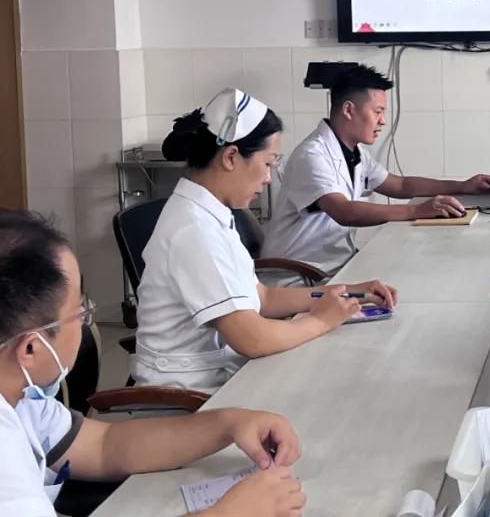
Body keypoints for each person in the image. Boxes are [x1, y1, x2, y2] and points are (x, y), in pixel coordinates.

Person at [0, 210, 307, 517]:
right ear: (30, 349)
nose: (84, 320)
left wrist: (230, 423)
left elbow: (104, 445)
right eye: (79, 313)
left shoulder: (23, 397)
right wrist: (229, 513)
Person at [133, 88, 397, 393]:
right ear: (231, 157)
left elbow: (264, 298)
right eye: (268, 163)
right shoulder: (193, 230)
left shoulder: (209, 213)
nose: (269, 178)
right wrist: (322, 321)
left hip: (220, 377)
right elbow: (253, 339)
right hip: (191, 395)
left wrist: (348, 292)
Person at [263, 64, 490, 284]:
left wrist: (462, 186)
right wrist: (416, 211)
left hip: (334, 267)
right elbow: (344, 211)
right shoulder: (312, 155)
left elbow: (400, 185)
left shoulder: (353, 152)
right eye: (377, 112)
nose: (383, 121)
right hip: (298, 277)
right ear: (349, 110)